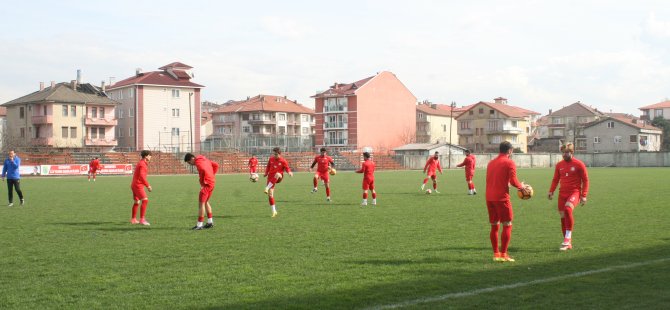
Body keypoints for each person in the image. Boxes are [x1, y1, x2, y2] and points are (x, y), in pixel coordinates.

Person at [486, 141, 528, 262]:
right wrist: (522, 187)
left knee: (494, 225)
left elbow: (495, 179)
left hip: (489, 197)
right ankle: (504, 254)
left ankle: (496, 254)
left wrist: (509, 184)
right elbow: (514, 181)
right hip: (502, 198)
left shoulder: (491, 163)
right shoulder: (509, 162)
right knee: (507, 224)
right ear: (509, 151)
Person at [548, 143, 589, 251]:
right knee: (562, 217)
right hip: (562, 194)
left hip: (574, 193)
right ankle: (568, 242)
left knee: (567, 209)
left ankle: (567, 239)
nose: (564, 154)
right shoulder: (559, 165)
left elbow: (585, 180)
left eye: (566, 152)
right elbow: (555, 179)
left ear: (572, 152)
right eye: (563, 152)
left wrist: (584, 195)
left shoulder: (579, 164)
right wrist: (551, 191)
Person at [184, 153, 220, 230]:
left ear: (192, 158)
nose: (190, 164)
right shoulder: (205, 159)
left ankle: (199, 225)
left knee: (201, 204)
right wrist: (212, 175)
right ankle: (210, 222)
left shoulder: (198, 162)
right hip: (212, 183)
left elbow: (203, 169)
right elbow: (216, 165)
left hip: (207, 184)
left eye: (189, 162)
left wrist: (203, 182)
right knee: (206, 202)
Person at [263, 147, 293, 217]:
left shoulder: (283, 161)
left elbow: (287, 168)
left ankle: (267, 188)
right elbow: (268, 167)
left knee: (277, 174)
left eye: (276, 154)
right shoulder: (271, 159)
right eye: (274, 154)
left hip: (279, 177)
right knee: (270, 195)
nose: (274, 155)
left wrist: (289, 172)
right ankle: (274, 211)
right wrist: (266, 173)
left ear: (279, 154)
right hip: (270, 178)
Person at [130, 150, 152, 225]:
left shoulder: (141, 163)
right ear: (146, 156)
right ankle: (142, 219)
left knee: (137, 202)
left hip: (134, 185)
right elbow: (142, 176)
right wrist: (148, 185)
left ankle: (133, 219)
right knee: (145, 200)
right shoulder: (142, 164)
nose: (150, 157)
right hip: (137, 185)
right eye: (149, 155)